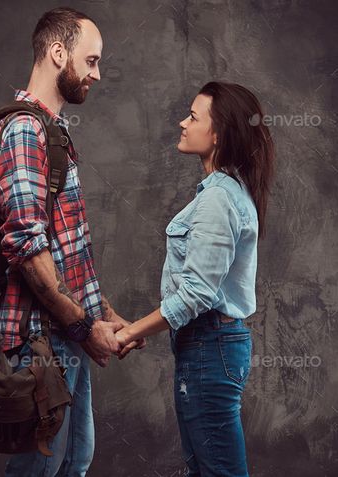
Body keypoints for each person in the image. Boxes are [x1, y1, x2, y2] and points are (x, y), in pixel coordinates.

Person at [0, 7, 144, 476]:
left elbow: (67, 252)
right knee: (40, 471)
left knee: (74, 462)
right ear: (58, 53)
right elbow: (29, 253)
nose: (97, 73)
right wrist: (83, 328)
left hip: (63, 339)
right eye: (90, 60)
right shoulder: (23, 131)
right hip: (38, 344)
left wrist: (107, 317)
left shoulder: (50, 132)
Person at [115, 81, 274, 476]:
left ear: (218, 133)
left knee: (218, 471)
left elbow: (196, 295)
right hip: (207, 348)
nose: (182, 123)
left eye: (193, 116)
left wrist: (131, 332)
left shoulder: (220, 198)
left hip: (210, 348)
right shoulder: (224, 192)